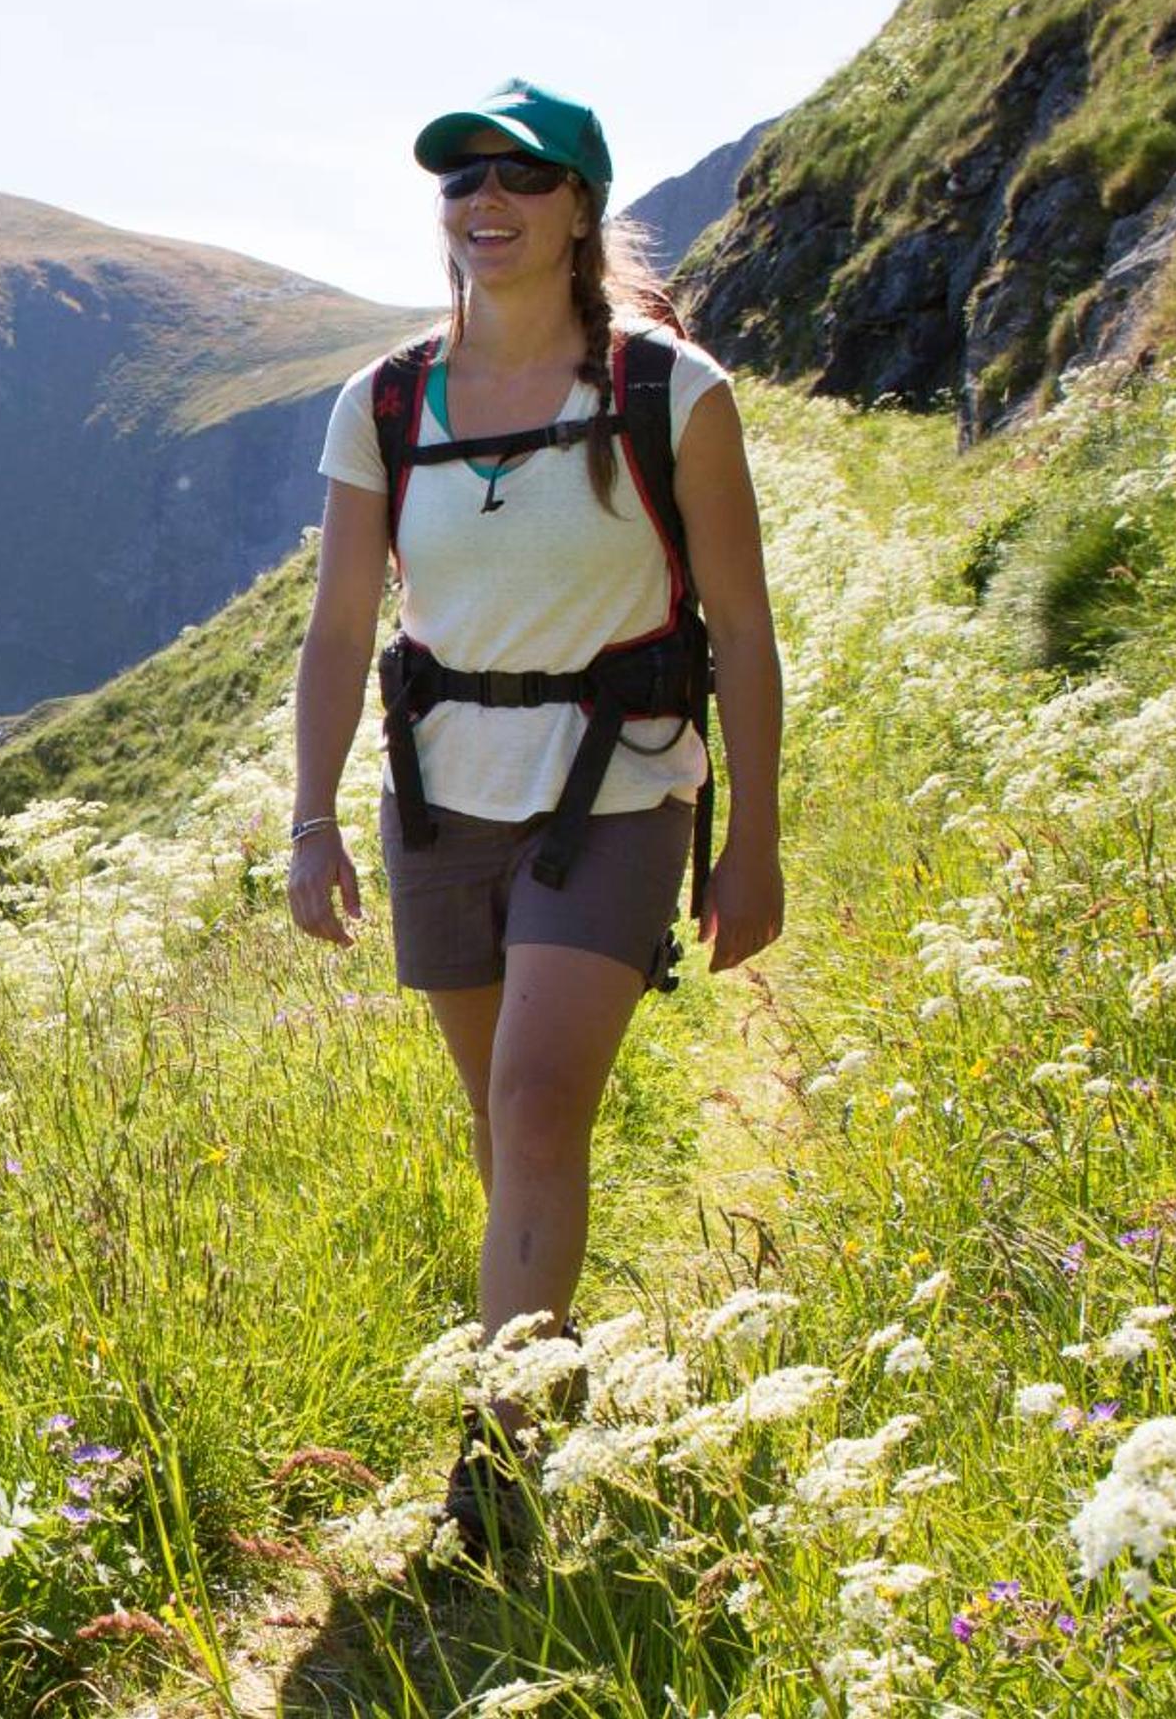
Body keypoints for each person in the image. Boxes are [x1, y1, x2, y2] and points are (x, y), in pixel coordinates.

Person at [281, 79, 785, 1561]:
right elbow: (334, 628)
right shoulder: (383, 402)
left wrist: (751, 839)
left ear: (581, 207)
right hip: (440, 803)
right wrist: (310, 822)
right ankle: (552, 1368)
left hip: (618, 794)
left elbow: (744, 633)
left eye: (521, 177)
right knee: (507, 1133)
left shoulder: (670, 392)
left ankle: (493, 1475)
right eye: (460, 182)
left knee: (534, 1103)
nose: (484, 202)